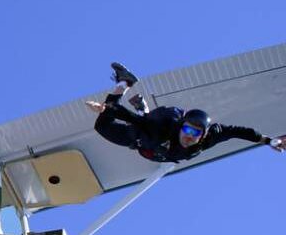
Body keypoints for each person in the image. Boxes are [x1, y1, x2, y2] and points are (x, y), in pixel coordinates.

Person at [87, 61, 285, 162]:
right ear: (182, 127)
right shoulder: (165, 128)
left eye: (195, 134)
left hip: (158, 148)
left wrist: (269, 141)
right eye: (188, 131)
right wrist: (107, 108)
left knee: (150, 134)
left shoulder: (212, 136)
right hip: (146, 134)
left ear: (203, 135)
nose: (189, 137)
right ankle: (125, 83)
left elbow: (239, 132)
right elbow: (130, 118)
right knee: (102, 125)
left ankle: (141, 106)